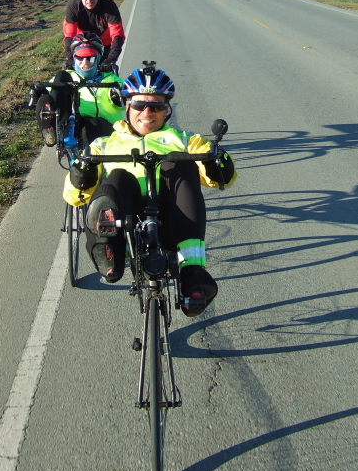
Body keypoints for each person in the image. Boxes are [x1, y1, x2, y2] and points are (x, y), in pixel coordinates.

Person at [63, 63, 237, 317]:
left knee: (179, 165)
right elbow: (73, 195)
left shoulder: (185, 140)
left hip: (171, 215)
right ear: (127, 106)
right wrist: (82, 173)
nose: (147, 112)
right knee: (118, 177)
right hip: (125, 217)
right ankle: (108, 251)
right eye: (139, 105)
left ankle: (192, 272)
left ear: (166, 110)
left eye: (155, 106)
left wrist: (217, 160)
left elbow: (223, 179)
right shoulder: (104, 144)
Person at [34, 32, 124, 147]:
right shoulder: (67, 76)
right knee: (60, 77)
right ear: (74, 58)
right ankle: (52, 130)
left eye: (90, 58)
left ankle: (91, 159)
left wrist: (118, 95)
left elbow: (125, 103)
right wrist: (39, 93)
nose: (84, 63)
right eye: (80, 58)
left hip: (105, 128)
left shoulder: (112, 80)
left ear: (98, 58)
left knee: (95, 123)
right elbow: (49, 96)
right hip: (72, 125)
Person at [63, 0, 126, 70]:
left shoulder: (108, 6)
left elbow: (117, 34)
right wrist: (70, 59)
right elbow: (69, 36)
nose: (89, 0)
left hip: (105, 45)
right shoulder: (74, 7)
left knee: (106, 78)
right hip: (82, 45)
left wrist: (111, 59)